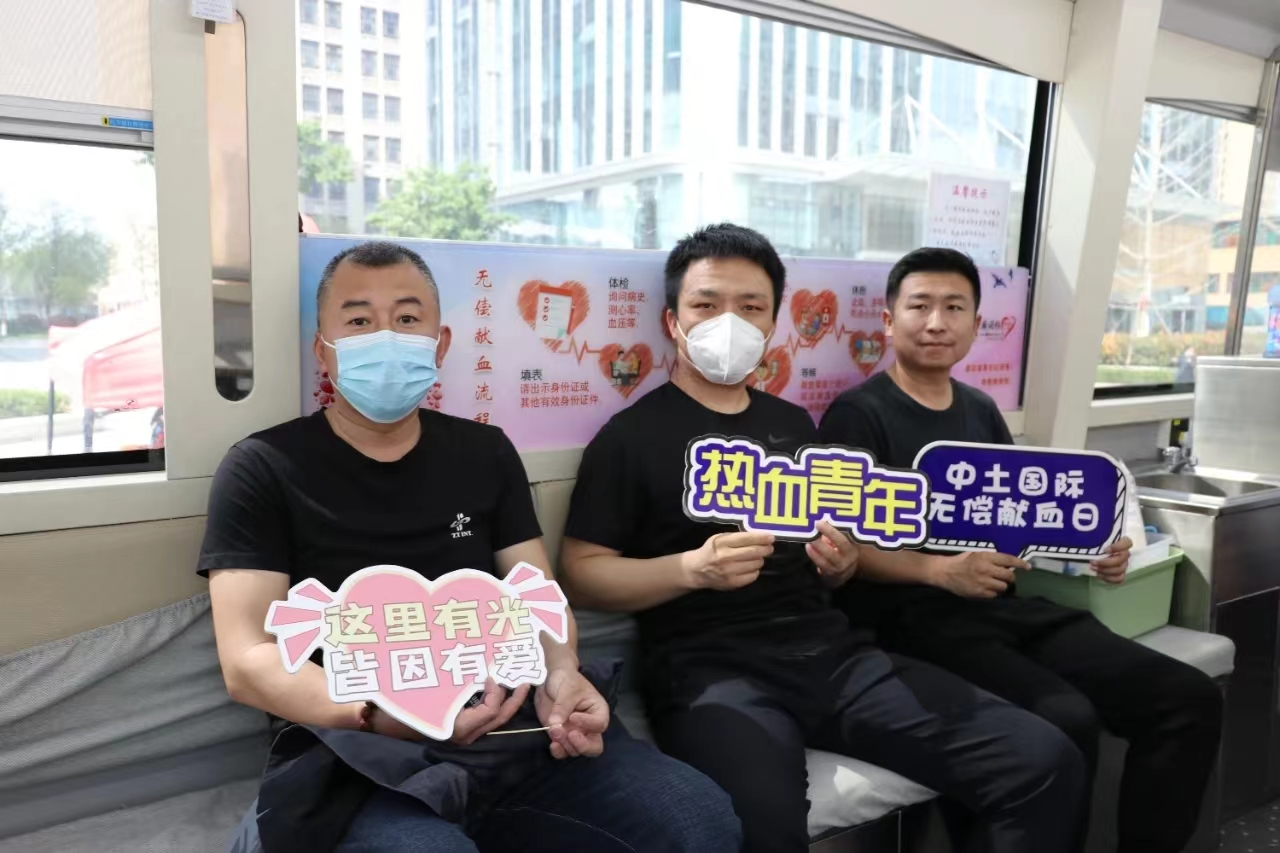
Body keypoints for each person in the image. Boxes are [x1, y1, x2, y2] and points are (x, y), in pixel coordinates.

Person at [559, 223, 1087, 853]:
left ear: (772, 323)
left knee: (1042, 759)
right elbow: (581, 572)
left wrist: (840, 564)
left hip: (833, 653)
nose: (729, 322)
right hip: (709, 668)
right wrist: (690, 569)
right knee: (759, 827)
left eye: (750, 307)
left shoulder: (792, 424)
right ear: (673, 321)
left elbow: (837, 552)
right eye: (706, 304)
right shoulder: (630, 437)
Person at [198, 241, 741, 853]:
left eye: (408, 318)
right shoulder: (262, 467)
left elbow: (536, 594)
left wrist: (561, 673)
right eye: (359, 320)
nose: (386, 336)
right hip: (360, 750)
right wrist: (386, 713)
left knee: (698, 818)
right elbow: (248, 661)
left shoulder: (484, 452)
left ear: (441, 343)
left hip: (510, 726)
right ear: (323, 349)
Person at [819, 247, 1223, 853]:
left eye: (954, 308)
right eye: (920, 306)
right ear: (888, 320)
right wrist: (938, 571)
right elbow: (842, 549)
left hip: (1004, 607)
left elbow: (1024, 520)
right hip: (911, 622)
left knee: (1187, 698)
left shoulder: (979, 410)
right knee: (1065, 718)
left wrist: (1088, 551)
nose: (937, 323)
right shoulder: (858, 415)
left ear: (976, 324)